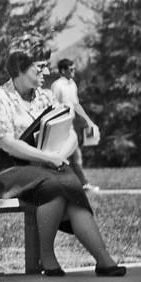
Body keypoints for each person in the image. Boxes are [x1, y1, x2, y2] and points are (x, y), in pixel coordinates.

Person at [0, 48, 126, 277]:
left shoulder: (47, 96)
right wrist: (49, 158)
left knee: (70, 182)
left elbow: (69, 132)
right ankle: (47, 257)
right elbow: (7, 142)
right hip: (8, 169)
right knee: (54, 184)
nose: (46, 71)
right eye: (39, 67)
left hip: (45, 165)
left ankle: (103, 259)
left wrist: (59, 156)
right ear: (20, 69)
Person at [50, 58, 99, 192]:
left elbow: (76, 105)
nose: (73, 72)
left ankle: (81, 184)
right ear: (62, 71)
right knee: (68, 156)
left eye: (73, 69)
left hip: (70, 125)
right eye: (70, 69)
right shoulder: (57, 86)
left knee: (75, 156)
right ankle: (77, 184)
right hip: (60, 126)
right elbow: (52, 106)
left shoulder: (72, 85)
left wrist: (88, 121)